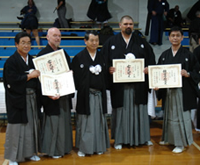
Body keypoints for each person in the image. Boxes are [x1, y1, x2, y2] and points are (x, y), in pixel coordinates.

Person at [101, 15, 156, 149]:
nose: (128, 26)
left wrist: (148, 69)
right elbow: (103, 61)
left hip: (138, 86)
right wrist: (108, 69)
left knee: (140, 111)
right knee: (120, 112)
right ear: (120, 25)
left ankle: (143, 138)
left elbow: (151, 60)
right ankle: (119, 139)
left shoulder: (141, 42)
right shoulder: (111, 42)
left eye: (130, 24)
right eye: (125, 24)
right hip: (119, 87)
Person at [157, 26, 200, 153]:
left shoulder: (188, 55)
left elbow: (196, 71)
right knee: (169, 115)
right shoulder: (164, 55)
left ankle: (180, 142)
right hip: (168, 91)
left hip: (183, 91)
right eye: (172, 36)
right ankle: (168, 138)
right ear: (169, 38)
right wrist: (157, 84)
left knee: (180, 116)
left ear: (182, 38)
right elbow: (159, 72)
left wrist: (188, 74)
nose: (175, 38)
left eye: (177, 35)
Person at [3, 32, 41, 165]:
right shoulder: (11, 61)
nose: (26, 45)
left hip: (32, 99)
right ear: (16, 44)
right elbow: (11, 81)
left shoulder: (32, 60)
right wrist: (29, 76)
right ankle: (13, 157)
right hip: (17, 99)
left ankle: (30, 153)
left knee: (31, 126)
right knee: (16, 129)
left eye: (29, 43)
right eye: (23, 42)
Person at [72, 30, 110, 157]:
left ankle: (99, 146)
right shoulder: (78, 58)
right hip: (85, 96)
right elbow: (76, 79)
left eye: (97, 40)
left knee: (99, 121)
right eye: (92, 40)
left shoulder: (102, 57)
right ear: (85, 41)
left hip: (99, 95)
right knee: (85, 122)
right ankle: (83, 148)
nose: (94, 43)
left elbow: (106, 78)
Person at [37, 27, 73, 158]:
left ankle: (64, 147)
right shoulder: (42, 55)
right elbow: (40, 79)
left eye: (59, 36)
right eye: (54, 36)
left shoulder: (64, 54)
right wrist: (48, 94)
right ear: (47, 37)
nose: (57, 38)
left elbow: (69, 72)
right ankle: (53, 150)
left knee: (64, 121)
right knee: (53, 123)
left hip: (63, 93)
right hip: (50, 96)